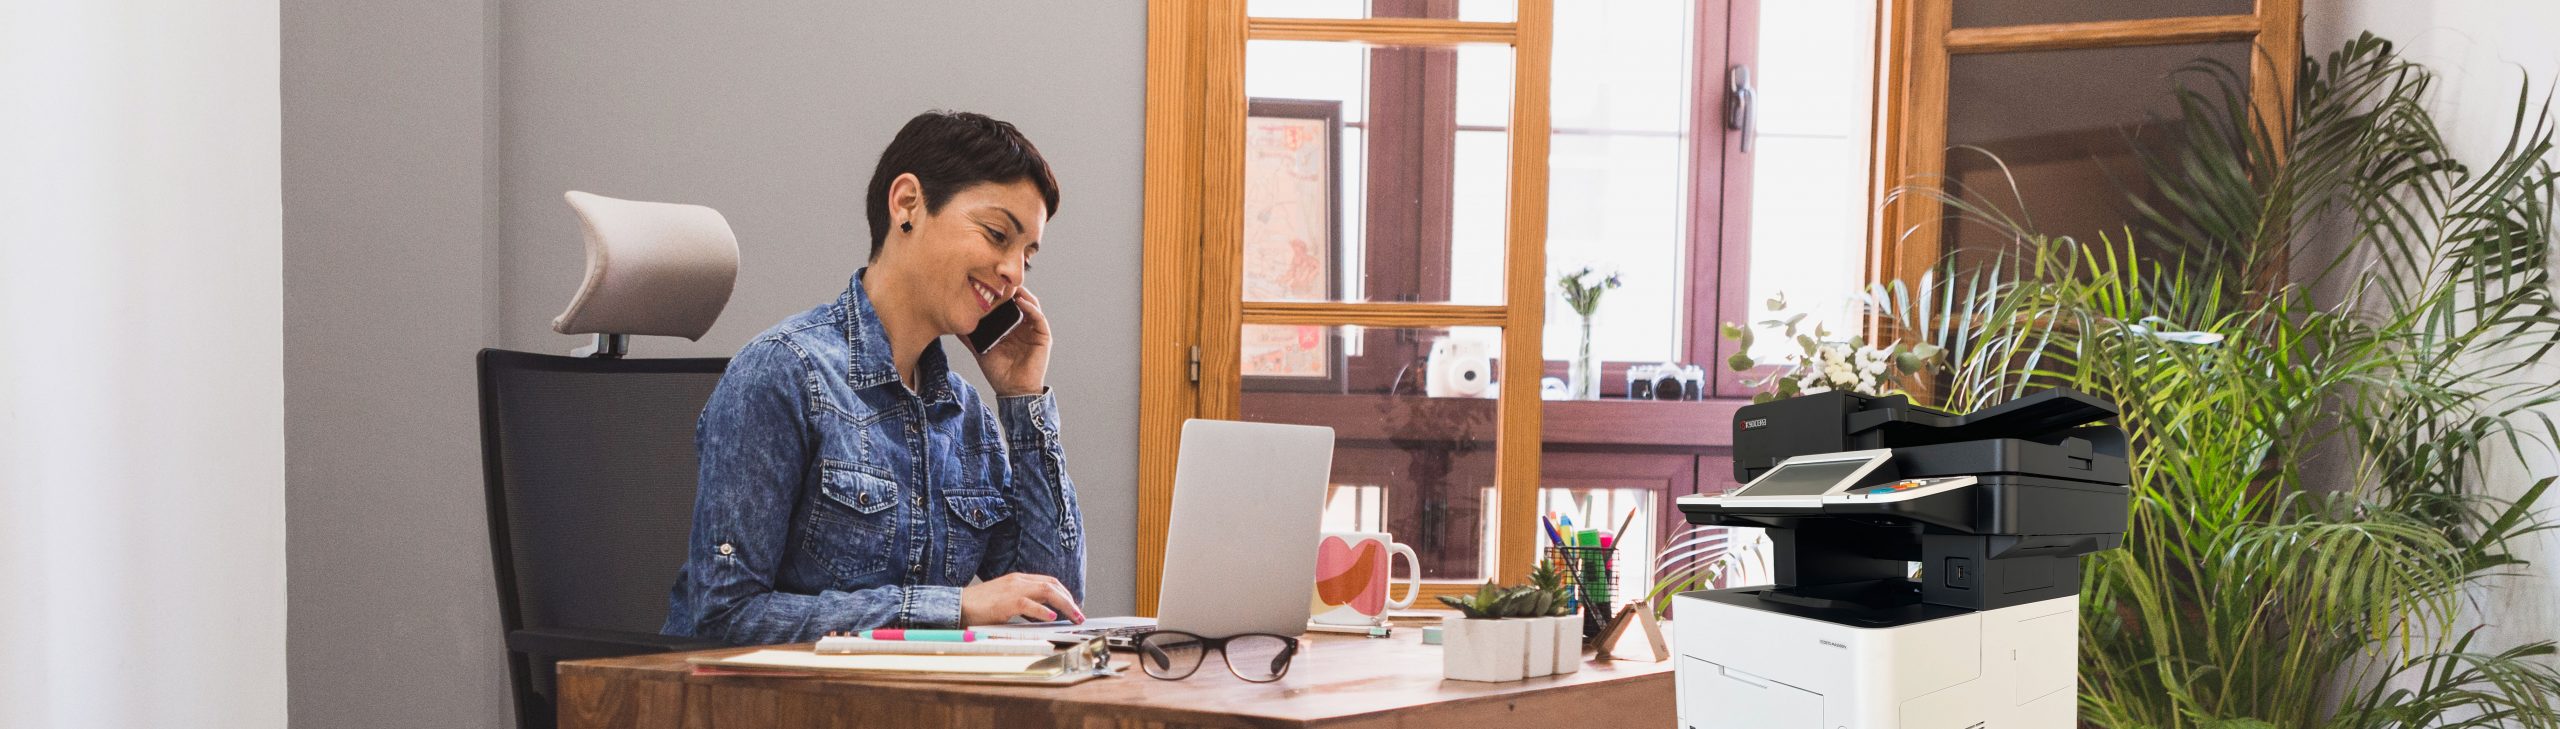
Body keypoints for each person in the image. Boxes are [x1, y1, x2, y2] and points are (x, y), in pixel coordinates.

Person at [663, 111, 1086, 645]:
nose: (1013, 273)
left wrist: (1023, 401)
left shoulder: (968, 418)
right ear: (907, 203)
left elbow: (1059, 599)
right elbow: (723, 618)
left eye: (1027, 257)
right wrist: (950, 606)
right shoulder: (783, 372)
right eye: (998, 235)